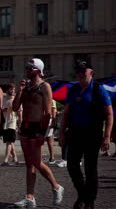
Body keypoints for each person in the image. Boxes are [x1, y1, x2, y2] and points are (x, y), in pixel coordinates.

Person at [59, 60, 113, 209]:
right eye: (78, 71)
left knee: (90, 168)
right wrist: (61, 133)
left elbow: (109, 114)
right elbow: (66, 113)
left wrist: (107, 136)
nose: (80, 74)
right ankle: (82, 194)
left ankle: (90, 200)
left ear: (91, 72)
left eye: (83, 71)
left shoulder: (98, 89)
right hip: (75, 132)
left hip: (93, 133)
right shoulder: (74, 89)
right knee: (72, 165)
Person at [12, 58, 64, 207]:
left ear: (38, 70)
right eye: (27, 68)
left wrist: (43, 132)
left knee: (36, 162)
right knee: (29, 164)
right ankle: (30, 197)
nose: (27, 70)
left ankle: (56, 186)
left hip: (37, 128)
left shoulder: (44, 87)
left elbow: (48, 112)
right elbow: (15, 108)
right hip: (25, 128)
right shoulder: (26, 87)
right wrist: (19, 91)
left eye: (30, 68)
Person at [1, 84, 21, 165]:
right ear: (7, 90)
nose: (13, 91)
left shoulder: (16, 100)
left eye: (13, 89)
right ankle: (15, 159)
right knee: (10, 142)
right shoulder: (3, 99)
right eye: (11, 89)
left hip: (12, 122)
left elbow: (20, 113)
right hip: (5, 123)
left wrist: (20, 123)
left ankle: (6, 160)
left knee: (9, 142)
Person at [45, 100, 58, 164]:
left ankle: (52, 157)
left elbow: (53, 111)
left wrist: (53, 121)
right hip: (44, 120)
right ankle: (51, 157)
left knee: (49, 139)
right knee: (49, 139)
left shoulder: (51, 100)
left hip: (47, 120)